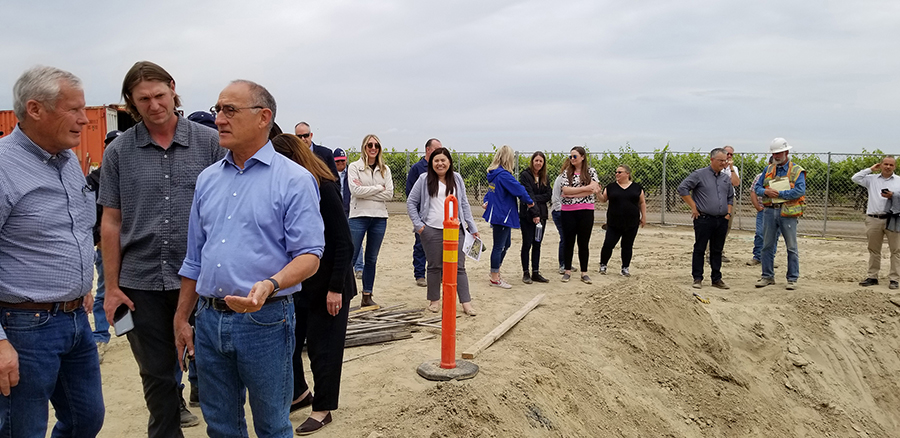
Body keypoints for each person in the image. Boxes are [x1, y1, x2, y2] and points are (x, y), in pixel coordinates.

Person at [175, 80, 325, 438]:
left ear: (263, 117)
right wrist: (182, 317)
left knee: (272, 425)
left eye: (229, 110)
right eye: (217, 110)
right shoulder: (208, 180)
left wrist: (270, 284)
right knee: (222, 426)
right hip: (209, 320)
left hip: (266, 321)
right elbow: (194, 258)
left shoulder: (294, 180)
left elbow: (310, 255)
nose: (219, 119)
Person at [99, 61, 222, 436]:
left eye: (159, 95)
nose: (154, 105)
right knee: (156, 377)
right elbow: (111, 222)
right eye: (143, 100)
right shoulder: (118, 152)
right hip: (140, 284)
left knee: (214, 371)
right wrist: (111, 286)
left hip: (202, 281)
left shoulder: (210, 142)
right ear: (131, 104)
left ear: (172, 89)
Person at [0, 66, 104, 437]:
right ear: (36, 109)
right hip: (24, 325)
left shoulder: (66, 162)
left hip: (75, 319)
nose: (83, 120)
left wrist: (81, 285)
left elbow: (69, 231)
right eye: (73, 109)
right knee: (21, 429)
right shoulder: (3, 166)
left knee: (85, 419)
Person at [272, 134, 355, 435]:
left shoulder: (325, 187)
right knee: (290, 345)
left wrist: (336, 288)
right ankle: (300, 393)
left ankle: (323, 409)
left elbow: (344, 243)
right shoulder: (289, 190)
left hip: (330, 285)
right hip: (301, 284)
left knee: (324, 349)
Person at [407, 147, 479, 316]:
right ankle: (434, 301)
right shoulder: (424, 179)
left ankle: (465, 303)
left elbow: (464, 204)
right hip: (431, 230)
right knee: (434, 267)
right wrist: (419, 226)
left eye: (443, 160)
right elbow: (411, 202)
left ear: (449, 162)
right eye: (436, 160)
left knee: (459, 266)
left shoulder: (457, 179)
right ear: (431, 163)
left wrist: (472, 227)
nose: (440, 163)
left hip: (455, 230)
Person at [753, 138, 806, 290]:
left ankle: (792, 278)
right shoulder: (768, 169)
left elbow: (800, 190)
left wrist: (779, 194)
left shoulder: (797, 170)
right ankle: (767, 276)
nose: (776, 156)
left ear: (786, 152)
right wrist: (765, 191)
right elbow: (757, 188)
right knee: (767, 245)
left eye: (779, 153)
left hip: (788, 212)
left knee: (791, 247)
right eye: (774, 153)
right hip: (769, 211)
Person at [87, 129, 121, 364]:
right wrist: (97, 239)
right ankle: (101, 334)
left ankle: (124, 328)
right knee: (103, 289)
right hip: (105, 245)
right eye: (110, 144)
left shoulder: (128, 176)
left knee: (128, 290)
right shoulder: (93, 180)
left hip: (129, 245)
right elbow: (90, 215)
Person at [677, 148, 733, 290]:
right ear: (712, 160)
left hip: (721, 219)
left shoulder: (725, 178)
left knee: (717, 250)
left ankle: (716, 278)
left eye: (725, 160)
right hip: (704, 218)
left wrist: (728, 213)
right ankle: (697, 278)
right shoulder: (699, 175)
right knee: (700, 248)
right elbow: (682, 188)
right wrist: (693, 206)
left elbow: (730, 197)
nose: (723, 163)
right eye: (721, 160)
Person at [348, 134, 393, 307]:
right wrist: (377, 188)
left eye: (376, 145)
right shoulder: (354, 167)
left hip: (379, 218)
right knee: (350, 257)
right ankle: (344, 294)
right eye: (369, 145)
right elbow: (355, 191)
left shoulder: (385, 169)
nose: (373, 148)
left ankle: (367, 295)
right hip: (358, 217)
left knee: (371, 259)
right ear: (364, 147)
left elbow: (389, 194)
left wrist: (366, 190)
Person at [483, 145, 534, 288]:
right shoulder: (504, 175)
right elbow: (519, 189)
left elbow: (491, 191)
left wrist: (486, 201)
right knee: (499, 246)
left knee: (506, 244)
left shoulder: (495, 174)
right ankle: (494, 277)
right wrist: (530, 202)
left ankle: (495, 271)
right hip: (503, 214)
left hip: (499, 213)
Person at [852, 157, 900, 288]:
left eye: (891, 165)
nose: (888, 167)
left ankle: (894, 279)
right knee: (874, 250)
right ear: (881, 165)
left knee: (896, 250)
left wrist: (893, 195)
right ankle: (872, 276)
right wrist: (870, 169)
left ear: (894, 167)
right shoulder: (871, 179)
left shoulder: (899, 181)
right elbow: (855, 178)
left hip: (893, 219)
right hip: (874, 218)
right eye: (885, 164)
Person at [597, 164, 647, 277]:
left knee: (627, 245)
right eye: (616, 172)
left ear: (627, 174)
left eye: (620, 172)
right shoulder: (611, 187)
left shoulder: (637, 187)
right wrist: (598, 193)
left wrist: (643, 216)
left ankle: (625, 268)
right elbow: (603, 200)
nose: (617, 174)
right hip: (614, 222)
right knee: (608, 244)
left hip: (632, 222)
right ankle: (603, 265)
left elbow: (642, 202)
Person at [559, 146, 599, 284]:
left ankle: (584, 272)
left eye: (574, 156)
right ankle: (567, 271)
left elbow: (594, 188)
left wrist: (573, 192)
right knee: (568, 241)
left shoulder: (591, 172)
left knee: (583, 242)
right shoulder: (566, 173)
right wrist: (585, 189)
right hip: (568, 211)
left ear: (582, 157)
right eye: (570, 156)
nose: (572, 159)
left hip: (586, 210)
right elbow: (564, 190)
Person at [405, 138, 441, 288]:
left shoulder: (440, 167)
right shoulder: (417, 169)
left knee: (439, 247)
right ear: (428, 150)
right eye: (437, 149)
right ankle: (419, 274)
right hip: (422, 215)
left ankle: (438, 274)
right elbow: (410, 193)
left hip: (438, 215)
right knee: (421, 245)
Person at [519, 151, 552, 284]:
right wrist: (535, 213)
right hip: (528, 215)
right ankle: (526, 273)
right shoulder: (525, 175)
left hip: (542, 215)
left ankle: (536, 272)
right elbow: (528, 195)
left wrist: (535, 200)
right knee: (527, 243)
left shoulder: (545, 177)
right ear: (532, 161)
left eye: (541, 161)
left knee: (537, 243)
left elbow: (548, 194)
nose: (538, 163)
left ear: (543, 163)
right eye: (536, 160)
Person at [748, 158, 778, 266]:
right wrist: (757, 206)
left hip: (778, 209)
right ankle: (757, 257)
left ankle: (770, 258)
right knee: (760, 233)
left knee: (774, 235)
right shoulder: (760, 177)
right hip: (764, 209)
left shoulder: (782, 178)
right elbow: (753, 191)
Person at [550, 174, 566, 274]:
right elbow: (555, 199)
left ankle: (567, 262)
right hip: (559, 211)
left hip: (568, 212)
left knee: (569, 238)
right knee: (564, 237)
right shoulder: (561, 178)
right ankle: (563, 264)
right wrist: (561, 210)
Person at [334, 148, 351, 214]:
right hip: (335, 210)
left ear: (346, 159)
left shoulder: (352, 173)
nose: (340, 162)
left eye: (342, 160)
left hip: (349, 210)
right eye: (337, 161)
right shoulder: (330, 174)